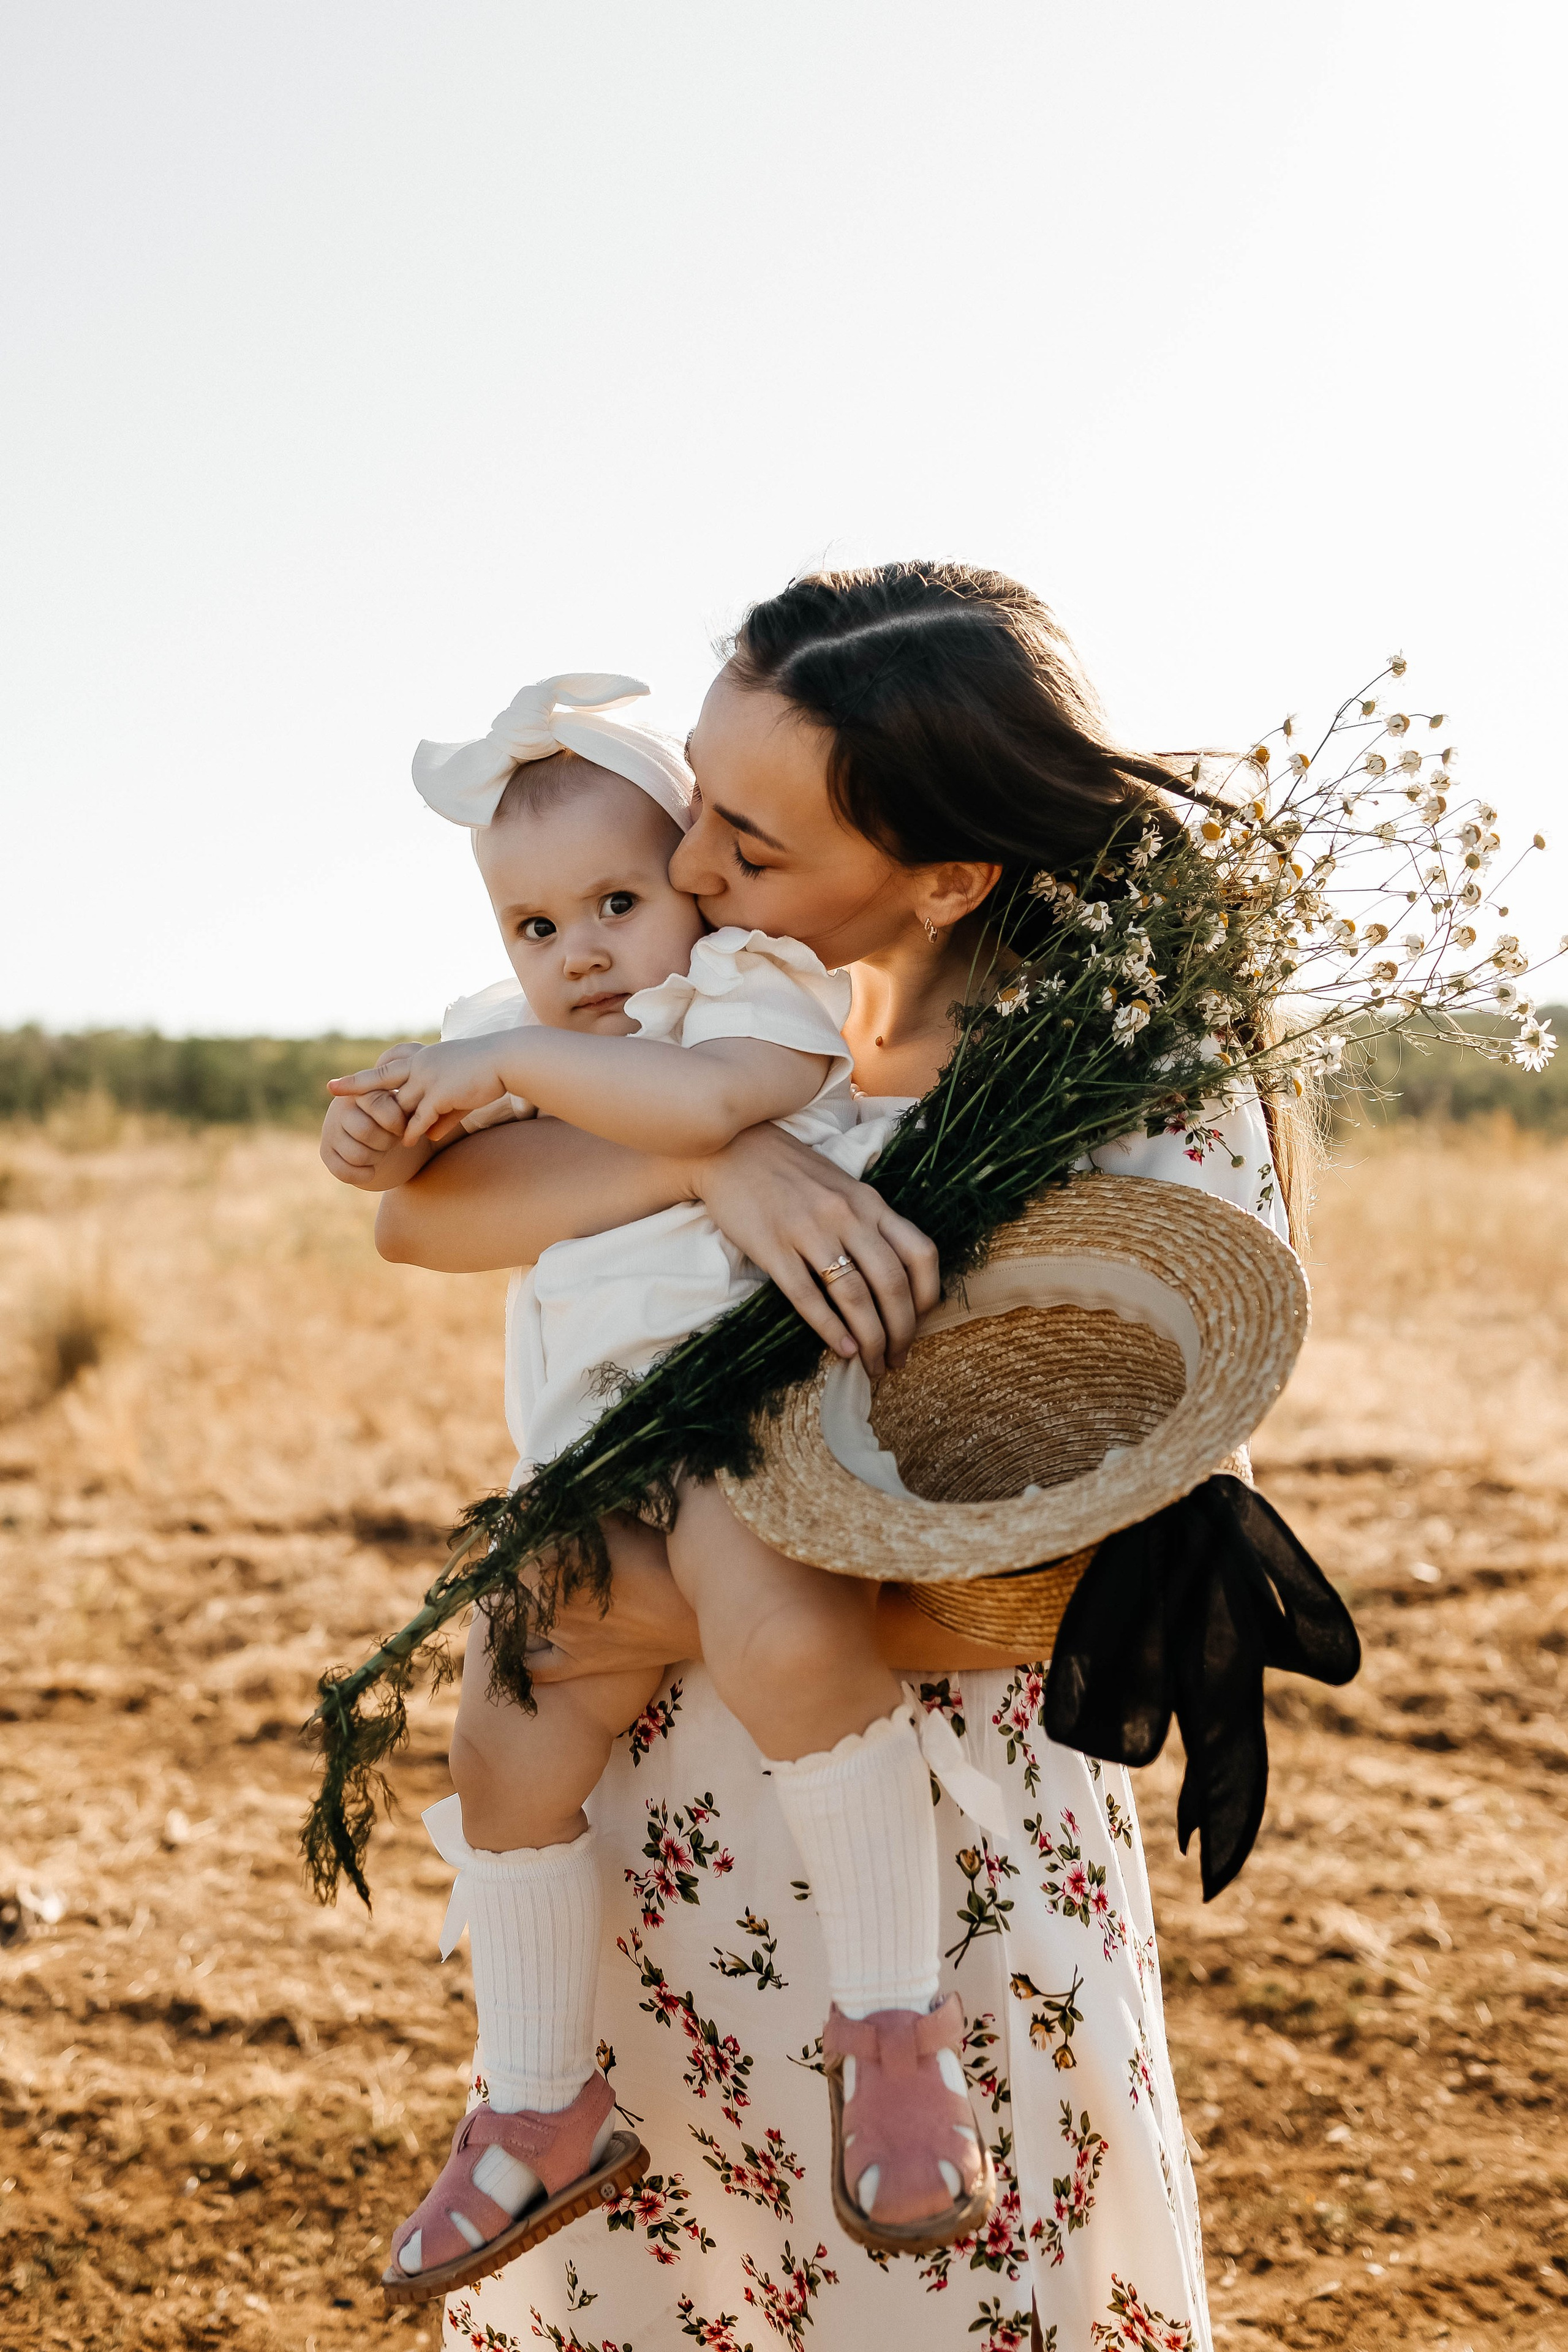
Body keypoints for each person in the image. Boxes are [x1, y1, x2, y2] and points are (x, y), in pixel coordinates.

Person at [374, 564, 1293, 2351]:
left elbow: (1063, 1557)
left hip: (926, 1886)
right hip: (663, 1858)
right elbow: (429, 1220)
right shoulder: (717, 1008)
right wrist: (723, 1158)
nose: (697, 862)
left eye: (753, 839)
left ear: (949, 874)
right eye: (700, 799)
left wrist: (667, 1590)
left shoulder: (1122, 1083)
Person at [323, 673, 994, 2292]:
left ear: (694, 884)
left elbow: (711, 1108)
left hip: (750, 1439)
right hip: (590, 1478)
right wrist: (390, 1130)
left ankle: (893, 2019)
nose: (583, 956)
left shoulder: (742, 994)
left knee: (785, 1627)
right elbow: (422, 1208)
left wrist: (512, 1076)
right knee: (503, 1710)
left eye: (619, 902)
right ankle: (541, 2096)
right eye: (536, 928)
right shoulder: (522, 1040)